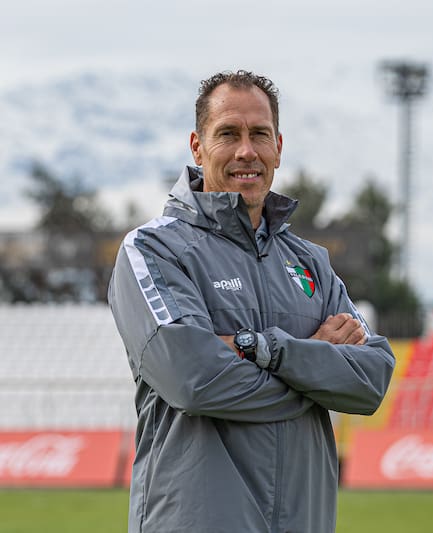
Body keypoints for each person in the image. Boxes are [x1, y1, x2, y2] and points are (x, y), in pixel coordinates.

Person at [108, 70, 395, 533]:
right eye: (228, 134)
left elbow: (370, 380)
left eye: (259, 134)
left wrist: (264, 349)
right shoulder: (152, 250)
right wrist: (314, 369)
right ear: (197, 146)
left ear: (278, 147)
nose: (247, 151)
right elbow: (193, 380)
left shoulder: (312, 264)